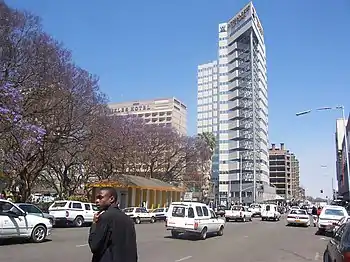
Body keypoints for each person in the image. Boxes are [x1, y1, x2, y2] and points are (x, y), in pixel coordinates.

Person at [88, 187, 138, 262]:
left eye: (100, 198)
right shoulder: (128, 219)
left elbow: (94, 246)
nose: (97, 201)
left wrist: (94, 224)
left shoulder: (105, 217)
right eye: (96, 198)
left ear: (111, 199)